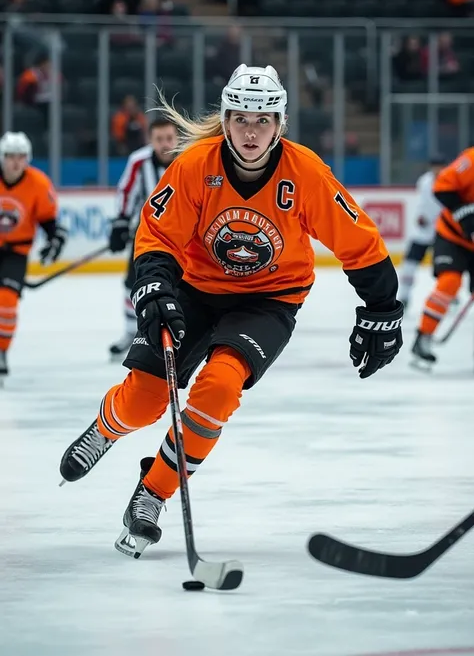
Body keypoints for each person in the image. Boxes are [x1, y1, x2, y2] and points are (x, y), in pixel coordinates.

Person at [59, 64, 403, 557]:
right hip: (197, 289)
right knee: (144, 401)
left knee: (219, 387)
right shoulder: (196, 164)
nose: (250, 130)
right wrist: (154, 283)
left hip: (270, 298)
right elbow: (158, 234)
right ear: (225, 118)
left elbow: (358, 241)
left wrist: (383, 307)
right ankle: (106, 428)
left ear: (280, 124)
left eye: (263, 120)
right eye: (241, 117)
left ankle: (152, 493)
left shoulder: (304, 172)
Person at [108, 116, 178, 360]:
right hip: (147, 233)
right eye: (159, 139)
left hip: (185, 235)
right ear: (151, 140)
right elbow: (126, 192)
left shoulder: (189, 160)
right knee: (132, 282)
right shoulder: (139, 162)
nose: (165, 144)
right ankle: (132, 332)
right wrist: (120, 223)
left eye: (169, 138)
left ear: (177, 138)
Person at [0, 131, 67, 379]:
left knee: (6, 303)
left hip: (17, 252)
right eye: (10, 156)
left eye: (21, 156)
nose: (15, 162)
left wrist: (54, 240)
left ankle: (1, 351)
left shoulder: (38, 183)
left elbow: (49, 221)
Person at [412, 147, 474, 367]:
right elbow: (443, 187)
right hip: (453, 236)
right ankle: (423, 337)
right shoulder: (470, 160)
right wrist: (464, 214)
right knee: (450, 282)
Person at [398, 154, 447, 310]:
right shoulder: (424, 181)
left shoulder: (449, 180)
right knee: (409, 265)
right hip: (423, 231)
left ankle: (449, 297)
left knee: (446, 268)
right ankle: (404, 296)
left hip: (443, 232)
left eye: (439, 166)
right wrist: (420, 217)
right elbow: (423, 204)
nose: (436, 170)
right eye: (434, 167)